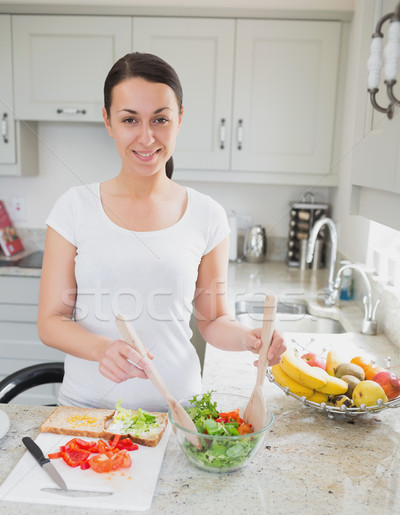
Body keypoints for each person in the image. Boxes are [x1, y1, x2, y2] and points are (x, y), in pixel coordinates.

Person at [37, 52, 286, 411]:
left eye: (160, 119)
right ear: (108, 121)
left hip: (179, 413)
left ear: (180, 118)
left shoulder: (207, 215)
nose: (146, 136)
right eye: (129, 120)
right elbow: (50, 321)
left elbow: (214, 320)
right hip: (88, 411)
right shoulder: (73, 207)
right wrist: (101, 349)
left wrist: (249, 337)